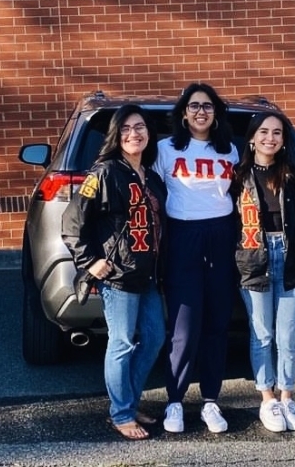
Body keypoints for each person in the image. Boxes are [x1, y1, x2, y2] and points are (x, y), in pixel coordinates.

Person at [61, 104, 167, 441]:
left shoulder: (151, 175)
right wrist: (89, 260)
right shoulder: (103, 173)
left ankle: (130, 402)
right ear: (116, 136)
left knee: (153, 338)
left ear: (149, 134)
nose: (134, 134)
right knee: (121, 343)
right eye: (126, 129)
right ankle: (121, 413)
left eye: (139, 127)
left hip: (147, 276)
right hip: (118, 276)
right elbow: (72, 221)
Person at [153, 82, 239, 434]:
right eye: (194, 106)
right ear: (184, 113)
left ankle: (210, 401)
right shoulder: (164, 149)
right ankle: (174, 401)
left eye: (207, 106)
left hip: (221, 236)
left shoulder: (231, 151)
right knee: (185, 326)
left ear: (215, 113)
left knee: (218, 323)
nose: (200, 112)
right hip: (183, 236)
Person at [231, 110, 295, 433]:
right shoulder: (236, 176)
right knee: (262, 334)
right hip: (254, 259)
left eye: (277, 132)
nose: (270, 138)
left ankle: (287, 396)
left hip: (290, 256)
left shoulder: (294, 173)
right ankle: (267, 398)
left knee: (287, 335)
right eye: (263, 132)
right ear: (251, 137)